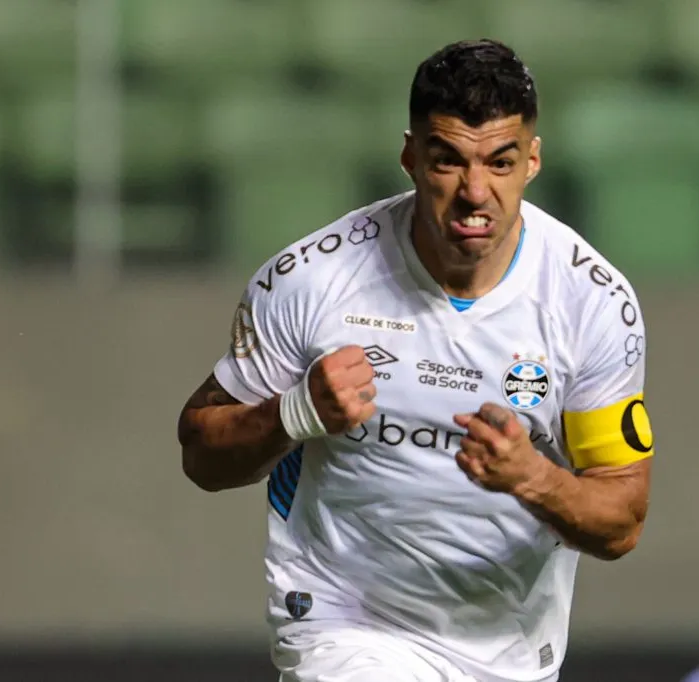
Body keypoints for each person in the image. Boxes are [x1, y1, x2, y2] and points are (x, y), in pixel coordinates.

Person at [177, 39, 654, 682]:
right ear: (410, 156)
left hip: (507, 643)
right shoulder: (313, 280)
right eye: (448, 160)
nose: (474, 192)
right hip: (344, 622)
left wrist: (531, 477)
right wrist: (295, 413)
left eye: (500, 162)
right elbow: (200, 451)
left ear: (533, 161)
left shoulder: (591, 303)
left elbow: (621, 520)